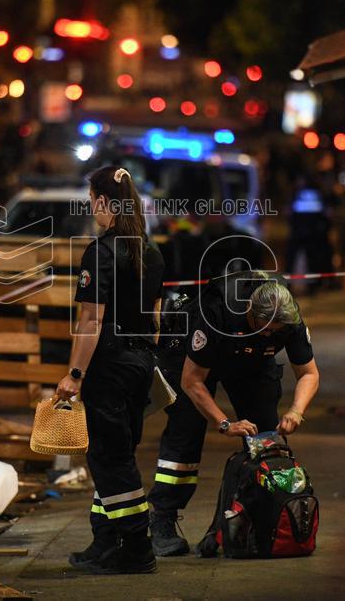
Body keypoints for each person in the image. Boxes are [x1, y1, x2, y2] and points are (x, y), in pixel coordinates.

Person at [147, 273, 320, 556]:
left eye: (274, 332)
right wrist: (224, 422)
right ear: (249, 311)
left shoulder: (289, 320)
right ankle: (163, 519)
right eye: (263, 328)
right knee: (185, 432)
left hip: (251, 362)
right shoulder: (216, 311)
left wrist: (296, 410)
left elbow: (309, 373)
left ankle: (259, 515)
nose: (269, 334)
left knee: (266, 439)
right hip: (193, 358)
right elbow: (192, 381)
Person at [56, 165, 165, 575]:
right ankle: (106, 540)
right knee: (119, 452)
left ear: (104, 202)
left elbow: (90, 321)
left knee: (109, 458)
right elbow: (154, 317)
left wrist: (75, 375)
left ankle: (137, 546)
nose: (91, 210)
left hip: (111, 366)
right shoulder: (151, 252)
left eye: (91, 201)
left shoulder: (101, 252)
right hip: (139, 365)